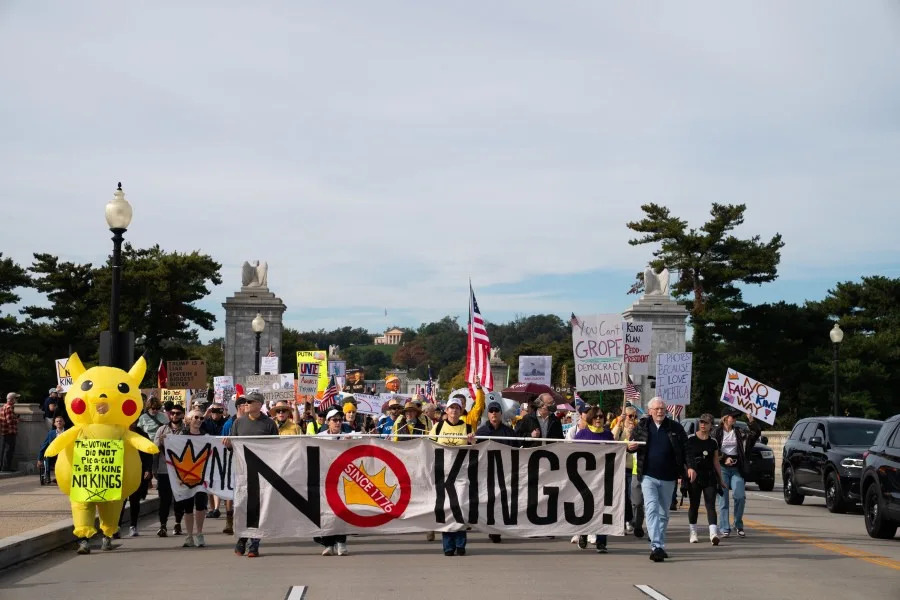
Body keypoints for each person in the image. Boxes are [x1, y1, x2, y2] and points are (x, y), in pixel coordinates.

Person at [627, 396, 688, 563]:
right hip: (648, 475)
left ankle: (658, 544)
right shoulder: (642, 426)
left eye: (662, 408)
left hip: (669, 477)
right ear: (650, 411)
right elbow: (631, 443)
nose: (660, 411)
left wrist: (689, 467)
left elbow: (685, 448)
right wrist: (630, 446)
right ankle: (657, 546)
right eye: (657, 409)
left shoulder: (675, 427)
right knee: (651, 509)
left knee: (663, 514)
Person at [225, 391, 278, 558]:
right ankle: (242, 537)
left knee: (257, 508)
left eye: (249, 401)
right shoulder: (238, 423)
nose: (245, 404)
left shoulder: (269, 424)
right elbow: (232, 446)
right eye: (245, 402)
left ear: (259, 404)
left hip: (262, 473)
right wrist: (228, 444)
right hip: (242, 472)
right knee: (241, 507)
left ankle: (254, 542)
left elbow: (276, 448)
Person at [430, 397, 475, 556]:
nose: (454, 410)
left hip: (461, 475)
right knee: (446, 509)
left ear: (461, 410)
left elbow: (473, 451)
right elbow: (429, 448)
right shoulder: (438, 426)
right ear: (447, 410)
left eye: (457, 408)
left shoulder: (467, 427)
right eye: (451, 407)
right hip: (443, 474)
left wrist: (471, 442)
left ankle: (460, 544)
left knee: (460, 507)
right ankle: (448, 546)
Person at [712, 408, 762, 538]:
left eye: (735, 417)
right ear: (725, 418)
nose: (734, 419)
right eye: (732, 417)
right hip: (722, 468)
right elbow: (712, 450)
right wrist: (723, 458)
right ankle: (724, 528)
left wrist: (751, 419)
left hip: (737, 468)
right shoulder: (716, 433)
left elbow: (755, 434)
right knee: (723, 499)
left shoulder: (739, 432)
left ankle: (738, 524)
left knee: (740, 496)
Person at [475, 400, 519, 543]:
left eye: (496, 411)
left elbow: (517, 451)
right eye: (491, 411)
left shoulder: (509, 432)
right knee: (488, 501)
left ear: (501, 414)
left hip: (504, 472)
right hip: (485, 472)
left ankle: (496, 530)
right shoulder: (481, 432)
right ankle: (490, 527)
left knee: (501, 502)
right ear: (488, 414)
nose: (494, 413)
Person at [315, 408, 354, 556]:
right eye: (334, 420)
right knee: (326, 512)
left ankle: (341, 542)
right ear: (328, 422)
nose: (338, 423)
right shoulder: (320, 437)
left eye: (339, 420)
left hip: (343, 479)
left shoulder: (348, 436)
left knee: (342, 511)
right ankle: (328, 544)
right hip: (325, 478)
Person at [574, 408, 614, 553]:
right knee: (586, 508)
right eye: (596, 417)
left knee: (603, 509)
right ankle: (583, 534)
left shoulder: (608, 435)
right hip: (584, 478)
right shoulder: (582, 434)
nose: (599, 419)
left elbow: (614, 454)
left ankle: (601, 541)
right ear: (590, 418)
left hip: (603, 478)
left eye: (601, 417)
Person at [685, 413, 726, 545]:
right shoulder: (691, 439)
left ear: (711, 426)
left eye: (706, 423)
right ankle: (693, 532)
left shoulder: (713, 442)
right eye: (701, 422)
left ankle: (713, 534)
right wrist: (684, 474)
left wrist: (721, 479)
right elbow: (686, 458)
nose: (703, 424)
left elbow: (716, 462)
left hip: (709, 477)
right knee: (694, 505)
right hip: (695, 477)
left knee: (710, 505)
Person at [177, 409, 210, 548]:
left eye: (201, 418)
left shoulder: (206, 436)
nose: (198, 420)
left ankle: (199, 533)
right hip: (186, 477)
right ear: (189, 419)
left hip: (202, 476)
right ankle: (189, 535)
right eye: (196, 417)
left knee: (201, 505)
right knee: (188, 507)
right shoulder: (181, 435)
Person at [153, 404, 187, 537]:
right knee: (164, 500)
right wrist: (160, 442)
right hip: (164, 470)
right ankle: (163, 525)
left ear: (182, 415)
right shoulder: (162, 429)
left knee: (179, 499)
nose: (175, 416)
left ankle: (178, 523)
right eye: (172, 413)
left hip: (180, 471)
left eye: (178, 413)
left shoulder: (185, 431)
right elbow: (154, 448)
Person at [121, 420, 153, 537]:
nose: (132, 423)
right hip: (122, 472)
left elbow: (148, 453)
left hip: (138, 472)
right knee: (121, 502)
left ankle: (133, 526)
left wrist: (148, 470)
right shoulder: (120, 434)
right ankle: (116, 526)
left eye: (135, 421)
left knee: (135, 501)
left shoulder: (142, 435)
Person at [612, 405, 638, 534]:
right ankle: (625, 520)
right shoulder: (620, 428)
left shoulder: (638, 429)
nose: (632, 418)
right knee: (622, 496)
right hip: (620, 467)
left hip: (633, 468)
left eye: (635, 416)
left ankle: (630, 519)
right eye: (630, 416)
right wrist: (619, 423)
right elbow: (612, 439)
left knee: (631, 496)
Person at [37, 416, 67, 484]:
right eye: (57, 421)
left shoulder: (67, 432)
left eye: (60, 421)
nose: (59, 422)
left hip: (64, 454)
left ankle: (61, 477)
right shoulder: (51, 433)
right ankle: (47, 475)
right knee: (47, 455)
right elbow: (44, 445)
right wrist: (39, 459)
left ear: (63, 423)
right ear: (54, 424)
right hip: (53, 454)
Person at [0, 392, 21, 472]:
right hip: (9, 431)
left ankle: (2, 467)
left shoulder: (4, 406)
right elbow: (9, 421)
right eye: (16, 398)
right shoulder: (9, 407)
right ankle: (6, 468)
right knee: (9, 450)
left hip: (4, 431)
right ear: (12, 399)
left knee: (4, 450)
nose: (16, 400)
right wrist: (17, 420)